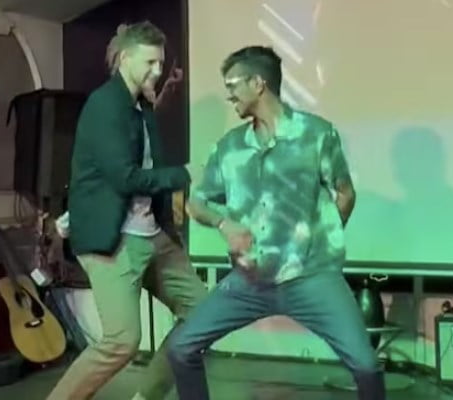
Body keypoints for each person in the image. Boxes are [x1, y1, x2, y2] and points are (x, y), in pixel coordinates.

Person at [167, 46, 386, 400]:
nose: (229, 95)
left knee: (365, 365)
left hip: (312, 278)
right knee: (181, 348)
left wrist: (319, 242)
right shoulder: (230, 148)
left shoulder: (317, 135)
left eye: (233, 85)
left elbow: (345, 193)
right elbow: (196, 202)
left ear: (258, 83)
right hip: (248, 282)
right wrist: (224, 224)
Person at [46, 21, 207, 400]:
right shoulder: (104, 105)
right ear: (125, 58)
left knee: (203, 315)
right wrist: (184, 174)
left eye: (161, 63)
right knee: (122, 341)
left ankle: (146, 397)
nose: (158, 70)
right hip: (114, 240)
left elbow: (141, 152)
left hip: (153, 235)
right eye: (150, 62)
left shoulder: (140, 105)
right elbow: (124, 177)